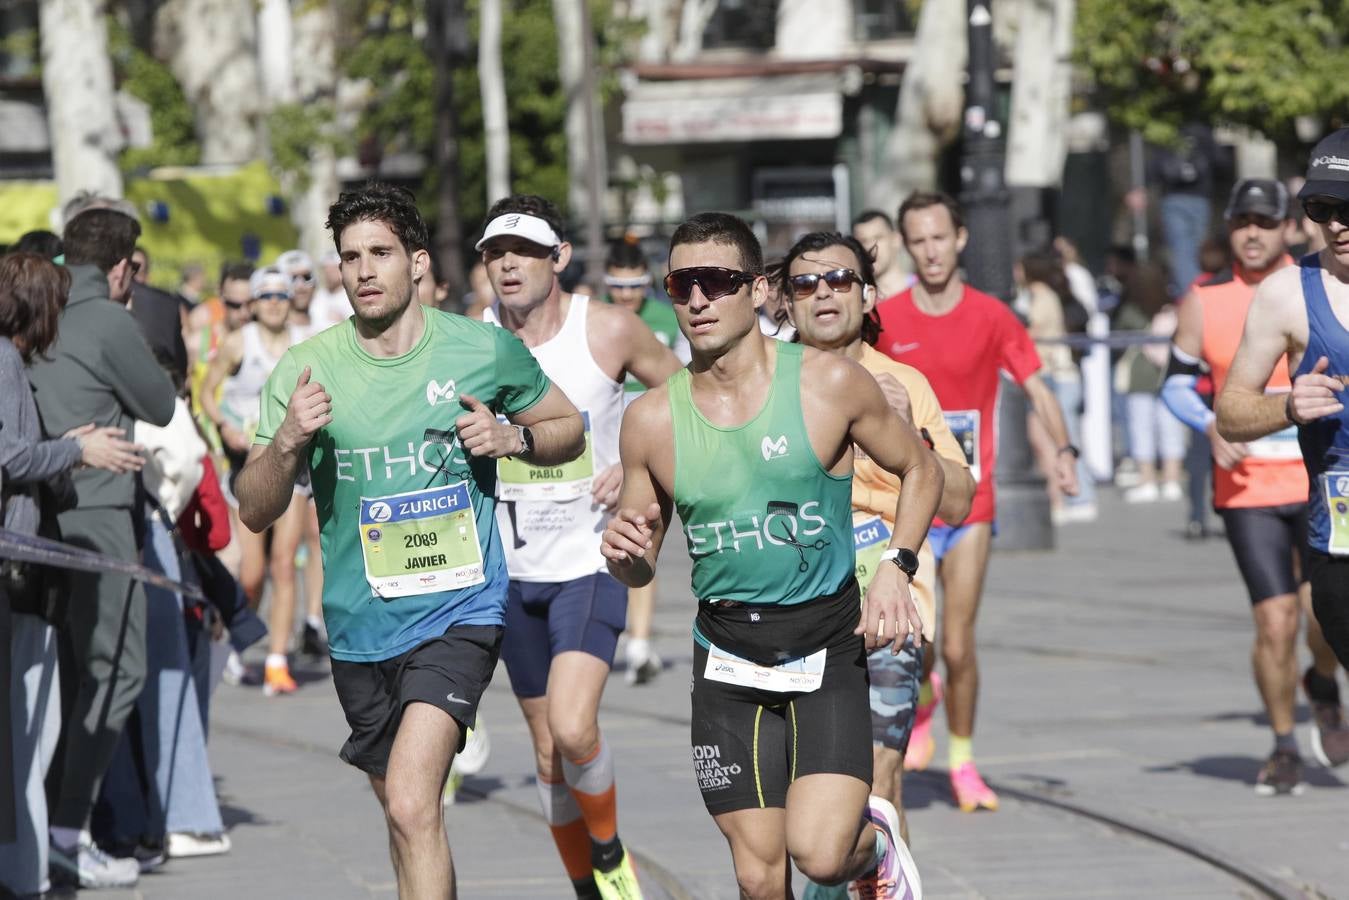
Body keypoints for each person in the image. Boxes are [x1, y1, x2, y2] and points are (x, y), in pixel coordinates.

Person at [236, 182, 584, 900]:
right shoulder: (307, 368)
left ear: (417, 262)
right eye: (350, 257)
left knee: (410, 803)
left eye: (381, 254)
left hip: (458, 611)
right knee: (404, 820)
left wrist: (510, 436)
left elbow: (567, 426)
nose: (364, 270)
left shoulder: (479, 347)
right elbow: (254, 509)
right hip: (360, 626)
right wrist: (290, 440)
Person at [602, 212, 942, 897]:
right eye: (681, 284)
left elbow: (923, 472)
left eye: (716, 282)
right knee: (758, 877)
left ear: (758, 290)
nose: (697, 299)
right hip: (727, 662)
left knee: (818, 855)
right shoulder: (650, 420)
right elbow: (639, 562)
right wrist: (623, 555)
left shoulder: (828, 384)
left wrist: (894, 567)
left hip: (825, 651)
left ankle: (876, 847)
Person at [478, 195, 681, 898]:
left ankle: (608, 847)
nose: (508, 265)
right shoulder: (468, 340)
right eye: (495, 254)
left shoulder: (610, 331)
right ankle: (587, 887)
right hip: (505, 572)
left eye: (525, 252)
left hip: (588, 562)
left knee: (571, 725)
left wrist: (633, 465)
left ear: (558, 257)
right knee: (543, 748)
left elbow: (684, 397)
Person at [875, 191, 1079, 812]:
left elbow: (1037, 384)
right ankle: (924, 700)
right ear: (907, 247)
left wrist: (1064, 451)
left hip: (971, 506)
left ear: (960, 238)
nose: (932, 251)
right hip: (905, 506)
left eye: (940, 237)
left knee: (958, 644)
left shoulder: (992, 316)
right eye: (919, 241)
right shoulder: (885, 316)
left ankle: (963, 760)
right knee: (921, 645)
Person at [784, 230, 974, 846]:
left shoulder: (905, 382)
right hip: (792, 606)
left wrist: (906, 431)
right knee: (808, 795)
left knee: (879, 782)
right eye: (805, 283)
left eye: (840, 280)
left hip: (890, 604)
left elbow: (959, 498)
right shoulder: (764, 382)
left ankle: (881, 881)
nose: (823, 293)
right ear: (784, 302)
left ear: (867, 296)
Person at [1165, 178, 1349, 794]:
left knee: (1318, 622)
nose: (1251, 233)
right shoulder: (1215, 299)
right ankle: (1283, 745)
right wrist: (1223, 427)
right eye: (1241, 221)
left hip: (1315, 483)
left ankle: (1321, 683)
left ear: (1280, 229)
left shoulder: (1298, 284)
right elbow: (1189, 391)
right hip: (1250, 486)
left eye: (1263, 221)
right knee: (1276, 620)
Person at [28, 208, 178, 888]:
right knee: (115, 671)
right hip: (99, 515)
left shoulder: (34, 309)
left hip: (33, 515)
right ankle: (66, 832)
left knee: (46, 681)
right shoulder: (110, 318)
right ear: (122, 269)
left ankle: (42, 829)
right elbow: (161, 403)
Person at [0, 252, 146, 897]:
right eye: (55, 306)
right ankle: (25, 872)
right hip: (17, 570)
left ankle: (25, 867)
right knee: (29, 730)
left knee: (33, 728)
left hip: (22, 563)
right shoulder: (4, 356)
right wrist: (77, 448)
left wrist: (66, 451)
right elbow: (10, 457)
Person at [1217, 127, 1349, 681]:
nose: (1338, 224)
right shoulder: (1286, 294)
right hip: (1339, 540)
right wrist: (1287, 408)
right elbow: (1230, 411)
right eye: (1322, 208)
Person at [200, 266, 310, 695]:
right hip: (247, 466)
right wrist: (226, 427)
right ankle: (232, 642)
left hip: (293, 465)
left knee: (284, 564)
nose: (274, 304)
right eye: (265, 297)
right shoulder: (236, 342)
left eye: (281, 296)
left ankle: (277, 661)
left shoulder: (307, 343)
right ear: (255, 303)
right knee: (252, 572)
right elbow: (208, 392)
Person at [603, 235, 691, 685]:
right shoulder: (598, 319)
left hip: (650, 442)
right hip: (603, 446)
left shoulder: (664, 318)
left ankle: (638, 641)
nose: (625, 295)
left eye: (635, 284)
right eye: (617, 286)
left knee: (642, 532)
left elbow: (686, 379)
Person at [1016, 251, 1096, 523]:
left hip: (1044, 371)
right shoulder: (1043, 295)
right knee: (1050, 441)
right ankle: (1064, 498)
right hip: (1047, 370)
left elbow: (1033, 332)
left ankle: (1063, 499)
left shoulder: (1040, 297)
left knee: (1046, 443)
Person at [852, 210, 912, 301]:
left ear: (896, 239)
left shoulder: (924, 290)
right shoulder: (857, 301)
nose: (869, 247)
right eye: (863, 241)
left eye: (878, 238)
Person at [310, 249, 354, 328]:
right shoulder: (318, 295)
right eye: (325, 269)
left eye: (332, 269)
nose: (328, 273)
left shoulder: (351, 297)